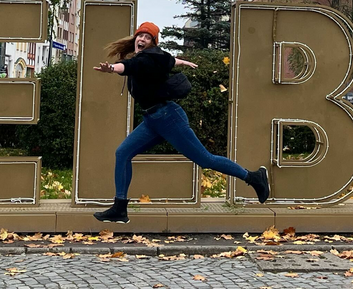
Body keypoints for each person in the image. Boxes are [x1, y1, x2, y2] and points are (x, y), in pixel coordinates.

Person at [91, 21, 270, 223]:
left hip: (168, 118)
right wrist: (183, 62)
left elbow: (129, 66)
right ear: (135, 38)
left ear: (152, 42)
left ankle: (254, 178)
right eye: (140, 35)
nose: (142, 39)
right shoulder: (158, 57)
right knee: (123, 152)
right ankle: (120, 208)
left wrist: (112, 68)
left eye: (147, 37)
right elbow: (170, 61)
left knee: (205, 159)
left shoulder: (146, 60)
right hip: (152, 120)